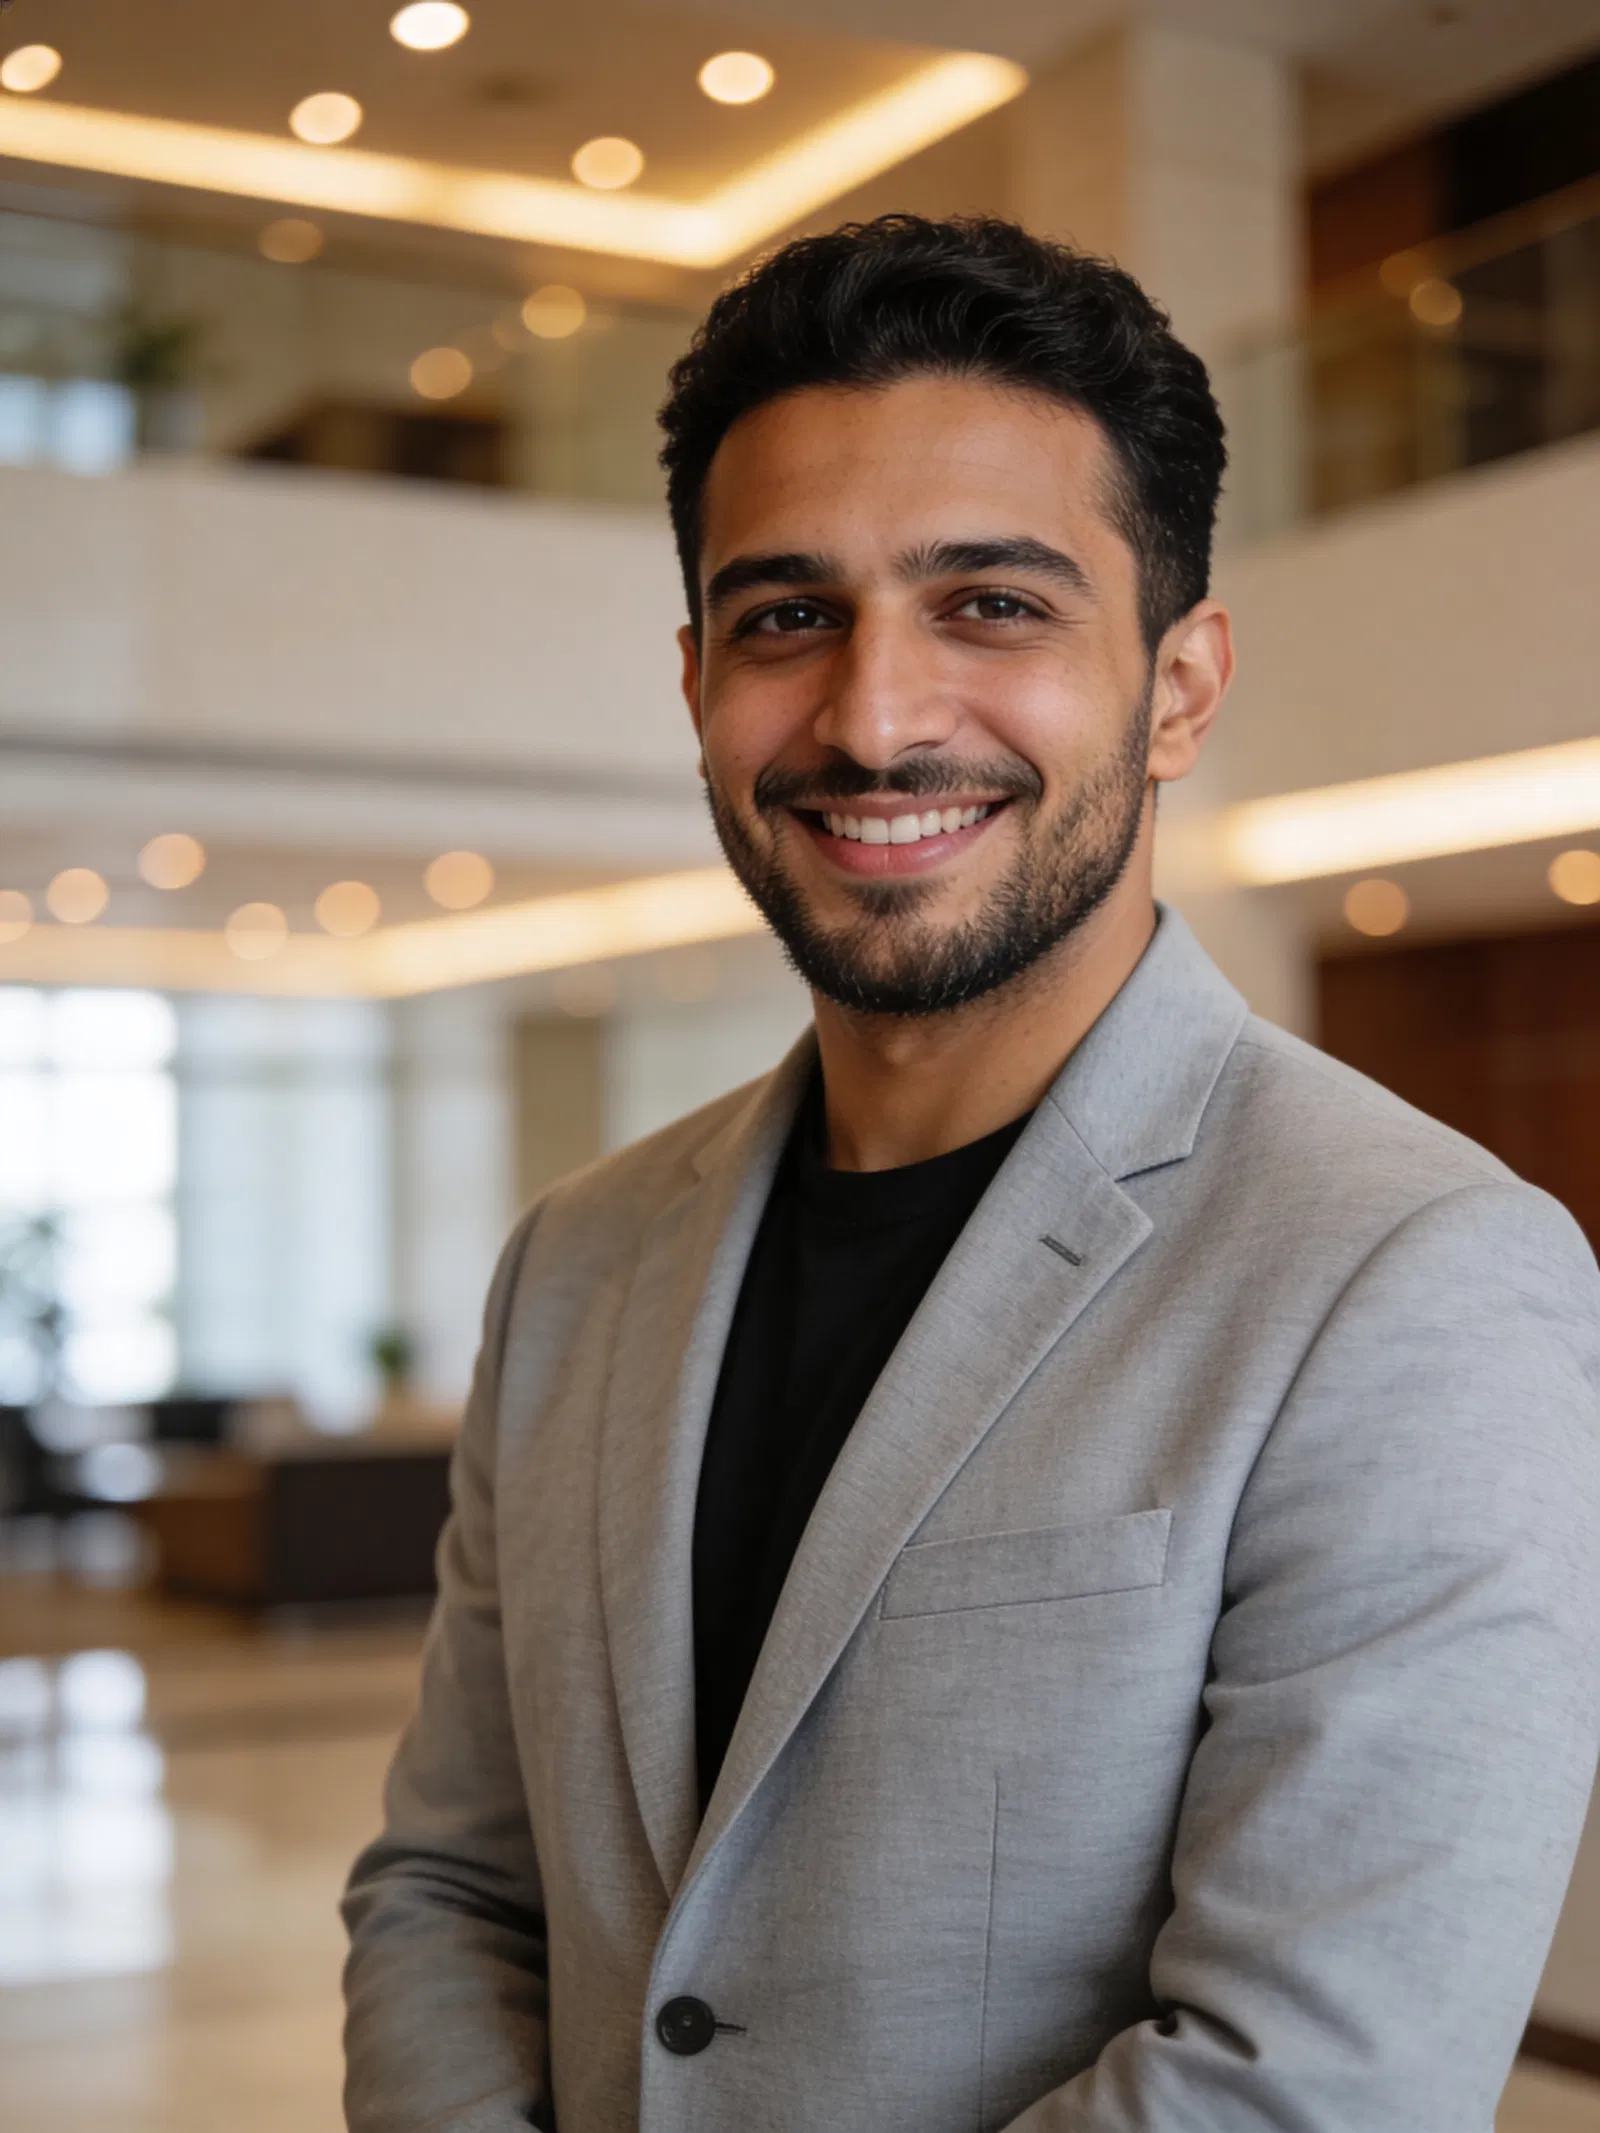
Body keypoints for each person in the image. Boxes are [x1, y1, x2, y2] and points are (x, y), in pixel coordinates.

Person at [342, 215, 1600, 2133]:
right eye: (786, 617)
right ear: (695, 683)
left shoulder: (1415, 1276)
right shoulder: (578, 1263)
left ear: (1180, 686)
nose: (870, 715)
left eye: (992, 606)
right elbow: (449, 1888)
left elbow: (1313, 2080)